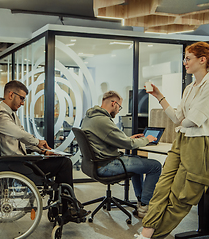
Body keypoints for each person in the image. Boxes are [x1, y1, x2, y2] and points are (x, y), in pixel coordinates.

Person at [0, 80, 88, 222]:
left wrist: (42, 150)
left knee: (62, 162)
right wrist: (38, 142)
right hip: (15, 165)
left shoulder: (10, 115)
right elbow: (21, 134)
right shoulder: (0, 116)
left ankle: (64, 207)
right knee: (64, 164)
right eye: (21, 98)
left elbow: (21, 138)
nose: (23, 103)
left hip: (19, 162)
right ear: (11, 94)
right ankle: (66, 208)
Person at [137, 42, 209, 239]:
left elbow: (193, 121)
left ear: (202, 60)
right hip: (182, 139)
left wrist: (184, 121)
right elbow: (179, 119)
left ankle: (153, 235)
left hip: (198, 143)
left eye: (188, 58)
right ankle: (147, 231)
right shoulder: (190, 88)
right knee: (162, 188)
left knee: (181, 196)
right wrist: (159, 95)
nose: (184, 62)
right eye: (184, 58)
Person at [81, 90, 162, 218]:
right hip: (106, 165)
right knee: (155, 166)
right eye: (119, 107)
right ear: (114, 103)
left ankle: (141, 202)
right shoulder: (102, 120)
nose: (119, 110)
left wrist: (129, 138)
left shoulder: (90, 117)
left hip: (96, 163)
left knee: (138, 162)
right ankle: (145, 206)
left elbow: (109, 138)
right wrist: (147, 139)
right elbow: (128, 145)